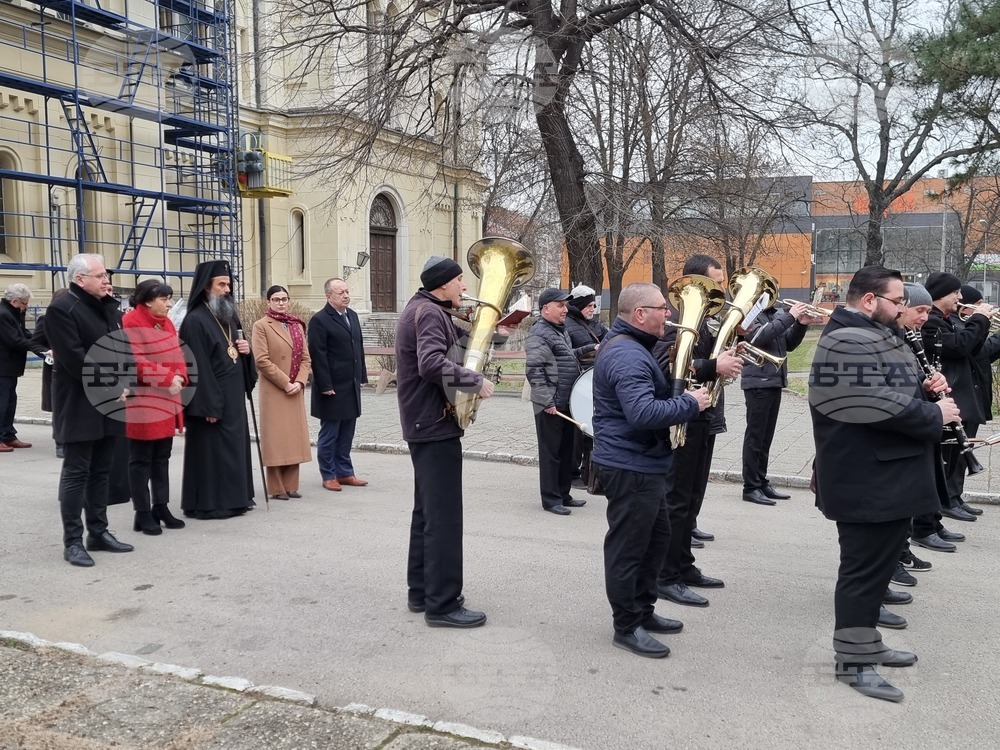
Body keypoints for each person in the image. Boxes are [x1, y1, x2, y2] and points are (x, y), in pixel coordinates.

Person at [809, 265, 957, 702]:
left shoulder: (868, 333)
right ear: (870, 300)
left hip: (885, 474)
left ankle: (866, 644)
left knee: (875, 575)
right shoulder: (846, 339)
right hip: (866, 478)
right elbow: (871, 405)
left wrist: (927, 391)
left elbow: (890, 390)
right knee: (861, 575)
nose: (903, 309)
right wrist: (935, 415)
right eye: (897, 301)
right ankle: (852, 663)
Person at [592, 282, 710, 659]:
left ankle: (643, 611)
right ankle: (626, 626)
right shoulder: (627, 355)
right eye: (662, 308)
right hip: (630, 466)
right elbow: (642, 414)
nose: (670, 315)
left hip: (643, 463)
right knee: (629, 549)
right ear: (640, 314)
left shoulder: (635, 348)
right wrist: (691, 403)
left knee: (655, 542)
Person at [395, 255, 496, 628]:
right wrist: (476, 383)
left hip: (425, 423)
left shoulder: (424, 308)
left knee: (427, 514)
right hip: (433, 425)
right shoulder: (430, 313)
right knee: (444, 518)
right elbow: (430, 363)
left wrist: (482, 330)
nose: (465, 287)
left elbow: (448, 351)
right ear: (443, 285)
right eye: (459, 281)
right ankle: (443, 604)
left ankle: (422, 591)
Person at [653, 255, 742, 609]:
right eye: (715, 283)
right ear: (695, 282)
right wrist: (711, 364)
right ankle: (665, 575)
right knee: (676, 500)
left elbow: (699, 364)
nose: (722, 289)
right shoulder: (674, 320)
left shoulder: (707, 322)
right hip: (681, 419)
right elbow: (665, 364)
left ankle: (683, 565)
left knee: (691, 500)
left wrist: (723, 361)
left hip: (702, 418)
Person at [45, 254, 134, 567]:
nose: (106, 281)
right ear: (79, 279)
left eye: (106, 275)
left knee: (101, 470)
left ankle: (99, 532)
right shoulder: (61, 308)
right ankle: (73, 542)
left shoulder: (106, 306)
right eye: (100, 276)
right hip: (79, 403)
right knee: (76, 472)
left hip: (109, 403)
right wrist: (113, 385)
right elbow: (74, 359)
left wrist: (126, 382)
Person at [179, 259, 256, 520]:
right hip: (211, 401)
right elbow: (196, 367)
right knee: (213, 453)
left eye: (229, 284)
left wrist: (247, 352)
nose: (227, 289)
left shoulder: (228, 316)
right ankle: (211, 504)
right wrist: (207, 405)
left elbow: (235, 351)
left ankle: (237, 499)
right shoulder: (195, 320)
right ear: (205, 288)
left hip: (232, 398)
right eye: (221, 284)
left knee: (233, 450)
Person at [921, 273, 994, 522]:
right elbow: (960, 346)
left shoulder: (945, 320)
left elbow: (971, 349)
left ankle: (955, 496)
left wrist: (981, 325)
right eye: (956, 293)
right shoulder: (931, 323)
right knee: (949, 453)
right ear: (942, 294)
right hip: (949, 392)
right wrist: (980, 320)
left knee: (960, 453)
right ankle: (945, 501)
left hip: (962, 391)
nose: (960, 298)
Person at [122, 280, 188, 535]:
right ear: (148, 300)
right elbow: (136, 361)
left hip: (167, 397)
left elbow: (178, 353)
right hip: (145, 399)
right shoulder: (132, 322)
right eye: (164, 299)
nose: (169, 304)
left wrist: (181, 375)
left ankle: (161, 506)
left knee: (162, 456)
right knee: (141, 459)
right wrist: (167, 378)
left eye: (169, 299)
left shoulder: (167, 323)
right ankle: (142, 512)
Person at [740, 299, 816, 505]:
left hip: (774, 381)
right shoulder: (749, 314)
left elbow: (788, 344)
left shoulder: (775, 314)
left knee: (766, 438)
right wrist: (790, 316)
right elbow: (759, 336)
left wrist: (801, 323)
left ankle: (761, 481)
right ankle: (750, 487)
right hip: (757, 383)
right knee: (755, 438)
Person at [525, 287, 587, 515]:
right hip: (550, 405)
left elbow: (566, 355)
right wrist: (546, 402)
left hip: (566, 402)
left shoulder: (559, 330)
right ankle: (551, 499)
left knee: (566, 450)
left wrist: (591, 348)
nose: (565, 309)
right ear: (545, 308)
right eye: (560, 305)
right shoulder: (539, 333)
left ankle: (564, 494)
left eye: (565, 305)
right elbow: (534, 370)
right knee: (551, 453)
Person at [308, 277, 368, 492]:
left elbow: (357, 348)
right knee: (330, 433)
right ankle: (329, 474)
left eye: (347, 291)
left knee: (347, 432)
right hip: (332, 387)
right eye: (340, 292)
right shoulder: (320, 320)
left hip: (350, 385)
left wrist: (362, 376)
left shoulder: (351, 315)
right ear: (328, 296)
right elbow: (318, 355)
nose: (346, 295)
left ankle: (345, 472)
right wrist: (325, 385)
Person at [252, 285, 313, 499]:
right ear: (268, 302)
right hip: (275, 389)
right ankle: (276, 488)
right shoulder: (261, 325)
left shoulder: (296, 325)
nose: (281, 303)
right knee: (277, 438)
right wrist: (285, 382)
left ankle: (291, 485)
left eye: (284, 299)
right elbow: (261, 360)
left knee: (293, 438)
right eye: (276, 299)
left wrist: (300, 382)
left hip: (295, 388)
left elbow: (306, 358)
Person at [563, 284, 607, 487]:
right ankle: (572, 472)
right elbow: (566, 352)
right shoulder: (567, 324)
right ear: (579, 306)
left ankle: (586, 472)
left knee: (590, 429)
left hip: (592, 379)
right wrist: (591, 347)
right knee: (576, 433)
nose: (592, 309)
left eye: (594, 305)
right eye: (589, 306)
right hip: (576, 381)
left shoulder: (594, 324)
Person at [0, 283, 48, 453]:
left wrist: (39, 338)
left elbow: (24, 334)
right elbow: (14, 340)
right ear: (14, 301)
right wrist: (39, 347)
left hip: (9, 367)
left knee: (10, 402)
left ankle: (8, 435)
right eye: (25, 303)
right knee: (2, 402)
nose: (26, 307)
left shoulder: (13, 313)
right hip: (3, 366)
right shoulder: (4, 315)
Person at [30, 288, 68, 457]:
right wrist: (48, 352)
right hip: (54, 369)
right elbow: (35, 343)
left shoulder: (76, 319)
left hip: (75, 368)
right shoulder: (46, 319)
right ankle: (60, 442)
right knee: (59, 407)